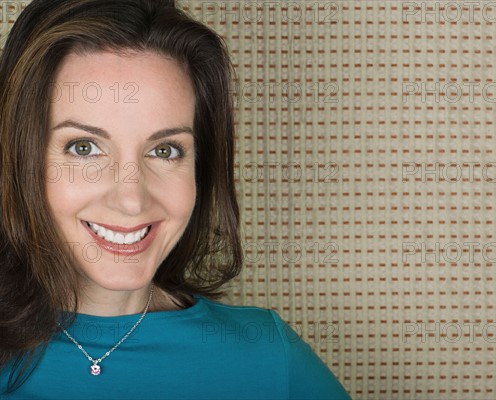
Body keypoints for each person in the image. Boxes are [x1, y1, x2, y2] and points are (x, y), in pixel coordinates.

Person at [0, 0, 350, 398]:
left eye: (165, 150)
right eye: (84, 148)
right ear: (19, 157)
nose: (131, 200)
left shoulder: (269, 360)